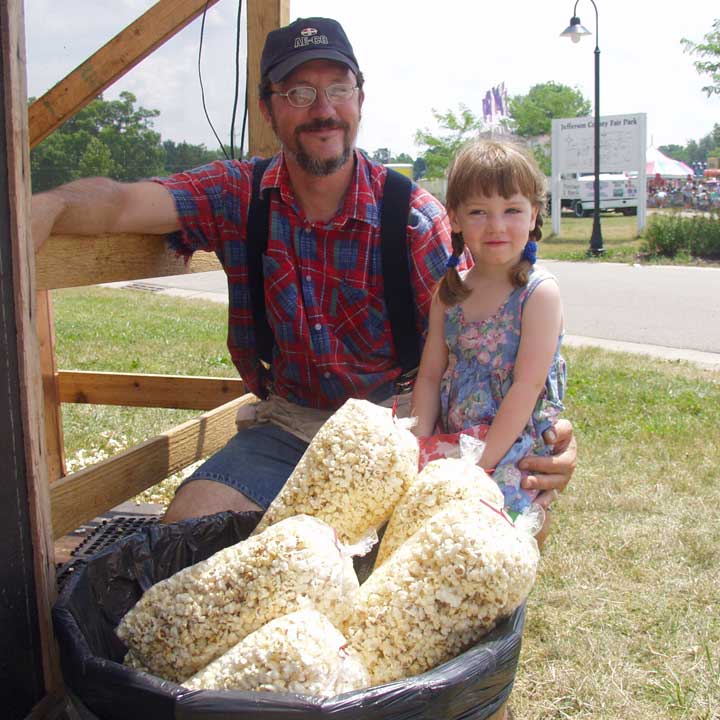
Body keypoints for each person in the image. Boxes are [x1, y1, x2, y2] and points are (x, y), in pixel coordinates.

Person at [31, 17, 576, 533]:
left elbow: (491, 330)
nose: (323, 110)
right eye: (298, 93)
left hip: (395, 426)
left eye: (338, 89)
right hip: (288, 423)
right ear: (269, 109)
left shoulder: (412, 218)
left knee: (437, 553)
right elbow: (125, 204)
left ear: (360, 101)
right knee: (187, 528)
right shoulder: (238, 194)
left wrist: (549, 436)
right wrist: (48, 207)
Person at [411, 139, 565, 514]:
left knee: (490, 523)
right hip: (456, 438)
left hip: (511, 444)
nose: (496, 226)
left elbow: (527, 388)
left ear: (533, 216)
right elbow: (430, 377)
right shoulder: (450, 294)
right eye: (479, 211)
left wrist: (480, 467)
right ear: (456, 219)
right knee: (425, 515)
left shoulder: (537, 295)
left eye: (512, 209)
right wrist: (416, 445)